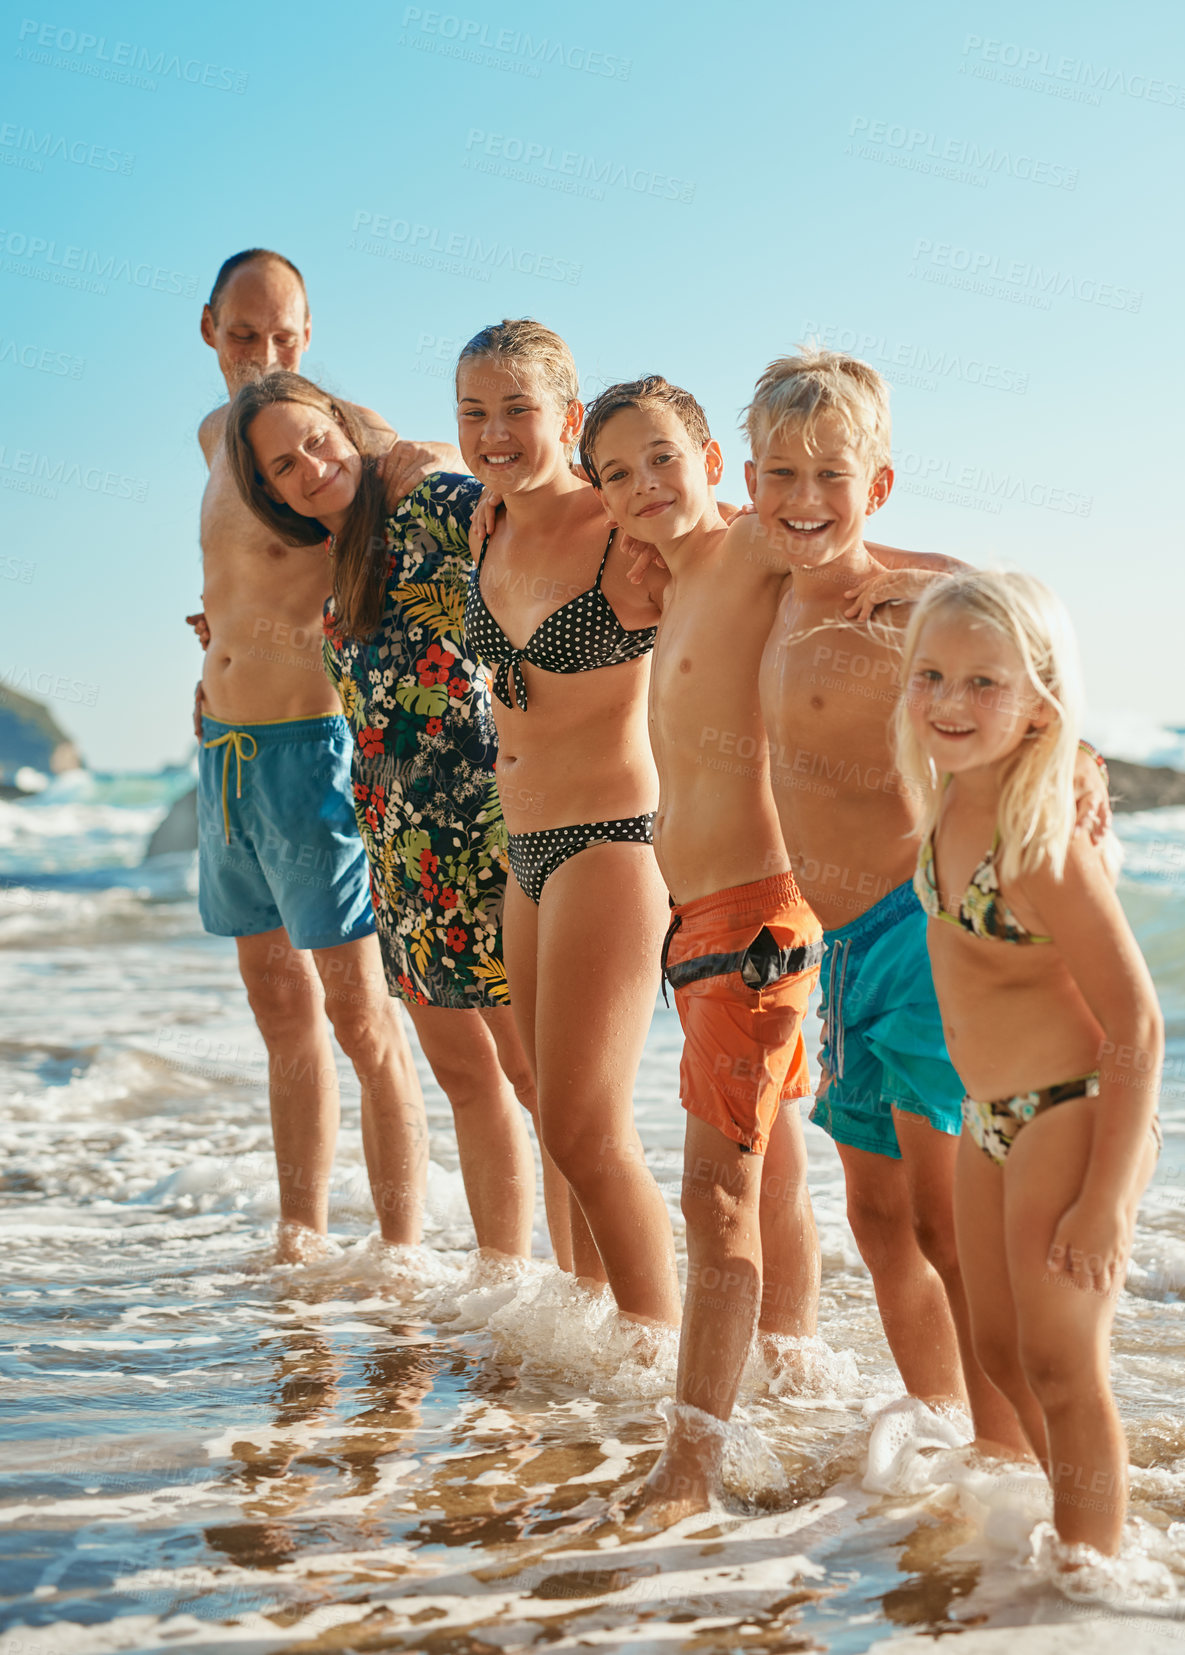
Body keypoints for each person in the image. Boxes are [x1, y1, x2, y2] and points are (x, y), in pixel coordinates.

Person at [754, 348, 1110, 1453]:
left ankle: (1009, 1454)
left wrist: (1081, 758)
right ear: (753, 477)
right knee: (878, 1216)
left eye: (832, 476)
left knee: (949, 1220)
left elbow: (1020, 657)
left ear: (878, 486)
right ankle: (945, 1425)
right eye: (781, 474)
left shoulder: (913, 597)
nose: (805, 500)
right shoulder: (754, 581)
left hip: (922, 933)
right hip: (838, 950)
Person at [192, 248, 520, 1263]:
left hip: (314, 746)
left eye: (285, 334)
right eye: (246, 335)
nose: (265, 354)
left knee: (357, 1006)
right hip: (224, 749)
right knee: (275, 999)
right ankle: (299, 1235)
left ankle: (400, 1247)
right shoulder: (219, 437)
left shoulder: (342, 429)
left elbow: (425, 469)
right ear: (210, 329)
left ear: (308, 332)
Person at [579, 376, 824, 1517]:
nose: (644, 486)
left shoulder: (753, 550)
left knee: (713, 1196)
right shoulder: (669, 584)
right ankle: (798, 1384)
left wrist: (1050, 711)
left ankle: (691, 1468)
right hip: (704, 922)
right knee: (769, 1169)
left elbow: (896, 570)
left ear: (712, 459)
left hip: (757, 916)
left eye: (662, 458)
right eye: (617, 474)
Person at [895, 569, 1161, 1558]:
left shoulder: (1040, 845)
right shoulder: (943, 794)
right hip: (988, 1111)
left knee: (1059, 1361)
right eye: (930, 676)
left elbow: (1137, 1020)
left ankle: (1097, 1579)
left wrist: (1108, 1202)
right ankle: (1080, 1533)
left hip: (1072, 1108)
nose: (949, 703)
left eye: (982, 683)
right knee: (1001, 1352)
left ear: (1039, 699)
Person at [456, 320, 680, 1328]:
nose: (492, 431)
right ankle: (584, 1329)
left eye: (516, 408)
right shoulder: (483, 524)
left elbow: (770, 591)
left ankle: (659, 1357)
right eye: (473, 410)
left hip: (612, 842)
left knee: (591, 1124)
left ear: (567, 415)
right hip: (525, 853)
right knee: (554, 1110)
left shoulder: (622, 527)